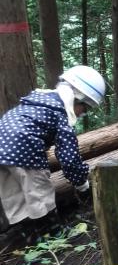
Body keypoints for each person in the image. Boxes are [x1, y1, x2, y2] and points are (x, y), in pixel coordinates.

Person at [0, 66, 106, 233]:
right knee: (41, 194)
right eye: (85, 110)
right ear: (78, 99)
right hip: (24, 151)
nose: (82, 115)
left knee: (15, 196)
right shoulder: (59, 113)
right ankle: (53, 235)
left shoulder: (38, 100)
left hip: (2, 147)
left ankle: (25, 236)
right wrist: (82, 184)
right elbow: (69, 159)